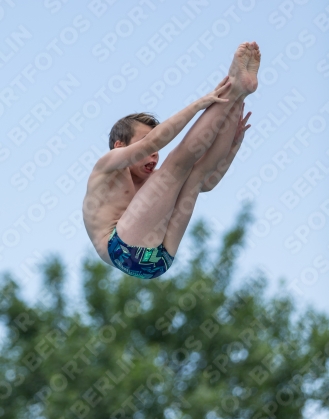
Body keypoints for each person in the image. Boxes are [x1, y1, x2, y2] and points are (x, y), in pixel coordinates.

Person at [83, 42, 261, 279]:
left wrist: (233, 145)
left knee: (195, 176)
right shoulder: (106, 166)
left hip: (160, 261)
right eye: (144, 139)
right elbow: (153, 144)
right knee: (176, 166)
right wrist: (199, 104)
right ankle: (233, 85)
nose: (154, 155)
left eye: (153, 150)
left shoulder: (151, 184)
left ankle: (239, 94)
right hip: (122, 251)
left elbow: (208, 181)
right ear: (120, 146)